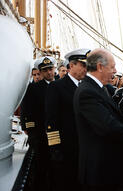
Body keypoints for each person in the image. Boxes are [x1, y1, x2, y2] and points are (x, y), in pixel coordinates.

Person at [73, 48, 123, 191]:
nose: (115, 71)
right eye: (112, 67)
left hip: (105, 167)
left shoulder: (98, 88)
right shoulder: (88, 91)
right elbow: (107, 124)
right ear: (100, 67)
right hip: (98, 170)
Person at [45, 48, 89, 191]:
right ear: (71, 66)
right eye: (83, 65)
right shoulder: (57, 87)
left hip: (83, 148)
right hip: (65, 148)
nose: (86, 69)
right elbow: (51, 120)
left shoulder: (87, 87)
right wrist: (55, 149)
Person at [20, 56, 56, 191]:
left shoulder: (60, 85)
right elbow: (26, 110)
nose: (49, 73)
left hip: (56, 134)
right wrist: (30, 131)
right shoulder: (33, 89)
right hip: (40, 134)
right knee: (41, 165)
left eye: (51, 69)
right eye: (45, 70)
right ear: (40, 72)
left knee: (55, 166)